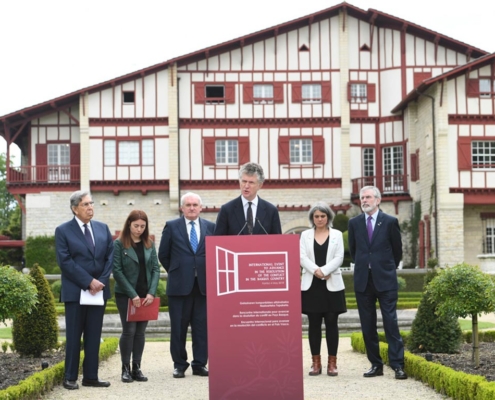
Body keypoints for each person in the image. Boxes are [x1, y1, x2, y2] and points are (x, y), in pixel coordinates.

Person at [55, 190, 114, 390]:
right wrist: (89, 281)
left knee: (93, 335)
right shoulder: (63, 231)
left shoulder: (103, 228)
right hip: (76, 291)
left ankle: (91, 376)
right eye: (85, 204)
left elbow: (109, 258)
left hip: (99, 292)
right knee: (73, 336)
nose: (90, 208)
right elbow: (65, 261)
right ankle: (70, 377)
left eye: (91, 203)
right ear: (74, 209)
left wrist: (101, 282)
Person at [347, 186, 407, 380]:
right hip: (363, 281)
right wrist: (367, 266)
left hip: (386, 280)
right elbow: (354, 251)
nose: (364, 200)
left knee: (391, 324)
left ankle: (398, 365)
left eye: (368, 197)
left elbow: (397, 251)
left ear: (378, 200)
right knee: (367, 326)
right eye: (362, 197)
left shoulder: (390, 222)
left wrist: (386, 267)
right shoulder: (354, 223)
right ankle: (376, 365)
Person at [158, 192, 216, 378]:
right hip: (179, 287)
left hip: (203, 287)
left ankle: (199, 364)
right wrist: (177, 271)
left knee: (202, 328)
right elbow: (163, 254)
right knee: (178, 328)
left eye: (195, 204)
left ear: (201, 207)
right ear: (182, 208)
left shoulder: (211, 227)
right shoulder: (172, 226)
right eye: (188, 205)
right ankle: (179, 365)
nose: (192, 208)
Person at [113, 210, 161, 383]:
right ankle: (125, 369)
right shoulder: (119, 244)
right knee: (129, 331)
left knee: (140, 332)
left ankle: (137, 368)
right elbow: (116, 271)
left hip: (145, 295)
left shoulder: (149, 243)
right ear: (129, 224)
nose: (139, 229)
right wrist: (132, 294)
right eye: (136, 226)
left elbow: (156, 269)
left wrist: (151, 292)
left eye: (142, 226)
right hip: (125, 294)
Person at [300, 202, 347, 377]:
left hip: (332, 285)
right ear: (312, 218)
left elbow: (339, 257)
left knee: (332, 324)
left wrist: (325, 271)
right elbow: (302, 256)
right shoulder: (304, 235)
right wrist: (316, 271)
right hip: (311, 285)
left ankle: (332, 364)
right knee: (313, 326)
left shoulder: (337, 235)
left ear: (328, 217)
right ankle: (315, 363)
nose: (319, 219)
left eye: (323, 216)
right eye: (316, 216)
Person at [214, 162, 282, 235]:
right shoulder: (227, 210)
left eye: (251, 182)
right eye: (244, 181)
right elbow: (217, 241)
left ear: (260, 185)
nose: (246, 186)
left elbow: (277, 241)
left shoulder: (271, 211)